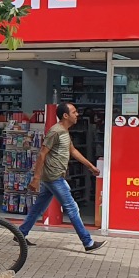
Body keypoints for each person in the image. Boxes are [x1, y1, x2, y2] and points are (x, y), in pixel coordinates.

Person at [19, 102, 105, 252]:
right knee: (72, 208)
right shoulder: (56, 131)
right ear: (65, 115)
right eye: (74, 112)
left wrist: (90, 166)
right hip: (54, 177)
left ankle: (20, 234)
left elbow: (72, 150)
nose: (77, 114)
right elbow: (42, 154)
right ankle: (88, 242)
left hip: (52, 177)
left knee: (38, 208)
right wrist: (36, 178)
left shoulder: (65, 131)